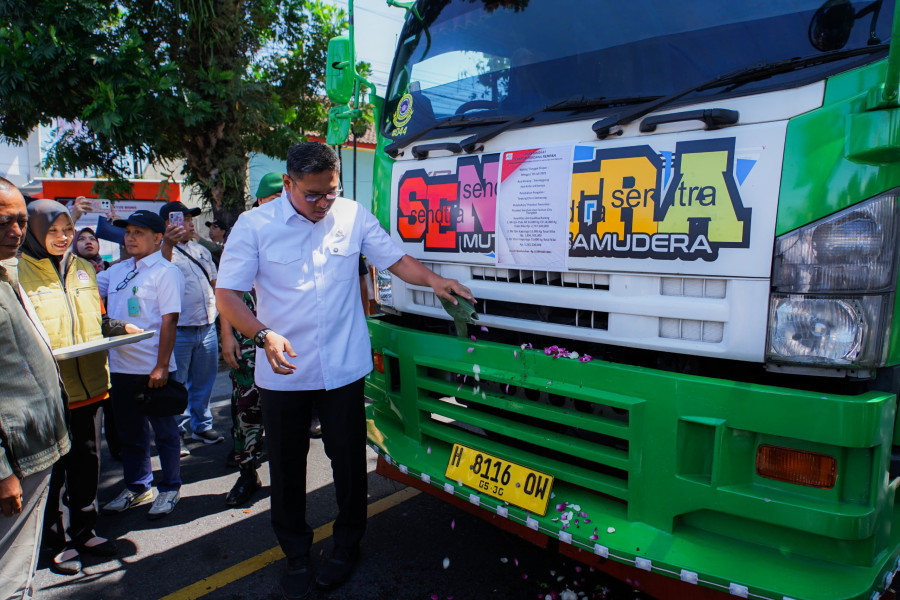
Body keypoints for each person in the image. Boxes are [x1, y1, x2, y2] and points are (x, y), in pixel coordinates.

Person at [216, 142, 473, 599]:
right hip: (284, 369)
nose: (322, 204)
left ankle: (347, 545)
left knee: (350, 464)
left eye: (330, 193)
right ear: (288, 185)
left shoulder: (351, 216)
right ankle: (295, 552)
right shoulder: (255, 226)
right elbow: (229, 295)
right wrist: (261, 334)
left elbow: (395, 259)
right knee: (289, 466)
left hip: (342, 368)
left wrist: (435, 281)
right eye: (312, 195)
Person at [16, 201, 140, 575]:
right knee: (51, 473)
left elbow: (96, 319)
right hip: (46, 392)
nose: (62, 238)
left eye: (67, 230)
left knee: (87, 465)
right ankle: (54, 543)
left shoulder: (84, 268)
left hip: (91, 388)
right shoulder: (17, 272)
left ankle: (85, 530)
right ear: (33, 231)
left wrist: (120, 328)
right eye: (52, 231)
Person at [0, 178, 70, 599]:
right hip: (13, 462)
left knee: (19, 563)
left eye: (22, 221)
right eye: (5, 221)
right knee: (9, 569)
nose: (17, 231)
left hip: (34, 447)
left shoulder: (7, 272)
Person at [97, 210, 185, 519]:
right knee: (130, 434)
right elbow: (85, 291)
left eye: (139, 232)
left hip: (153, 368)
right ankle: (137, 487)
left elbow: (170, 321)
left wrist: (161, 366)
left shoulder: (166, 271)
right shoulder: (117, 271)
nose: (130, 237)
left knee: (164, 432)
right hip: (121, 367)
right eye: (128, 232)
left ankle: (170, 487)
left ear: (158, 237)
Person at [220, 181, 282, 506]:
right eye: (273, 197)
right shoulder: (244, 232)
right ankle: (247, 476)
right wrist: (227, 335)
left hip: (285, 343)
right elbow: (226, 291)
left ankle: (287, 479)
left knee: (285, 417)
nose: (279, 203)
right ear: (259, 199)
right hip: (248, 345)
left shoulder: (295, 230)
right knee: (245, 413)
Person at [159, 201, 223, 451]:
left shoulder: (200, 251)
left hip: (207, 327)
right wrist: (167, 243)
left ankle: (201, 425)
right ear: (167, 224)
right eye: (182, 219)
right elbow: (158, 276)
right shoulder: (161, 251)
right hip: (179, 331)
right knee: (177, 385)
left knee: (205, 381)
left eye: (189, 219)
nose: (188, 223)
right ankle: (176, 432)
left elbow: (216, 284)